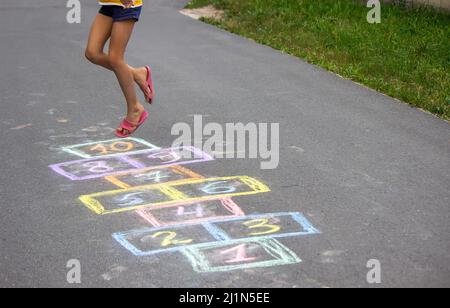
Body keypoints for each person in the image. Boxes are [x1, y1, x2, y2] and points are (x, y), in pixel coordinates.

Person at [85, 0, 154, 138]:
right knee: (92, 53)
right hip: (109, 3)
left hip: (126, 4)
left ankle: (135, 108)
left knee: (116, 58)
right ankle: (137, 73)